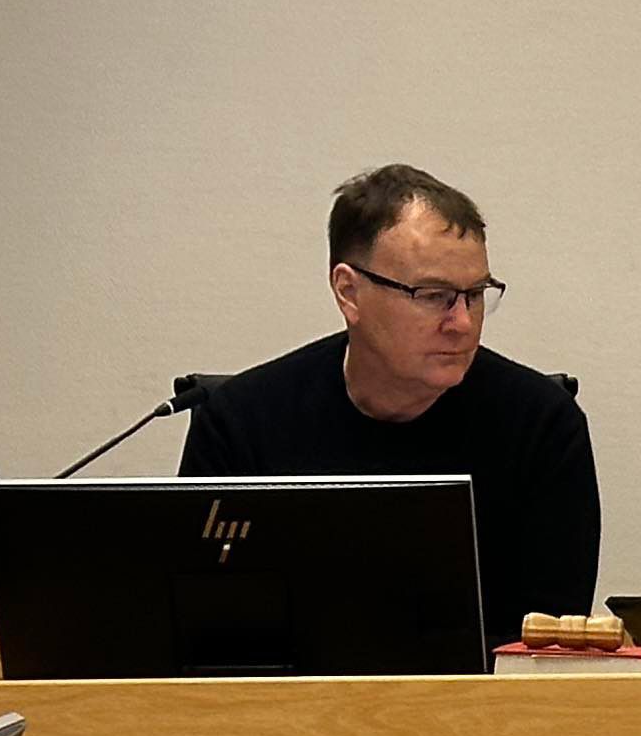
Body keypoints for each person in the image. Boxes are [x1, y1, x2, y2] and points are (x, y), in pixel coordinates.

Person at [181, 163, 599, 649]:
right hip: (283, 696)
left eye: (475, 295)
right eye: (434, 296)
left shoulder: (542, 426)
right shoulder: (240, 423)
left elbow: (550, 647)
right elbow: (197, 631)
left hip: (479, 696)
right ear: (349, 292)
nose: (462, 323)